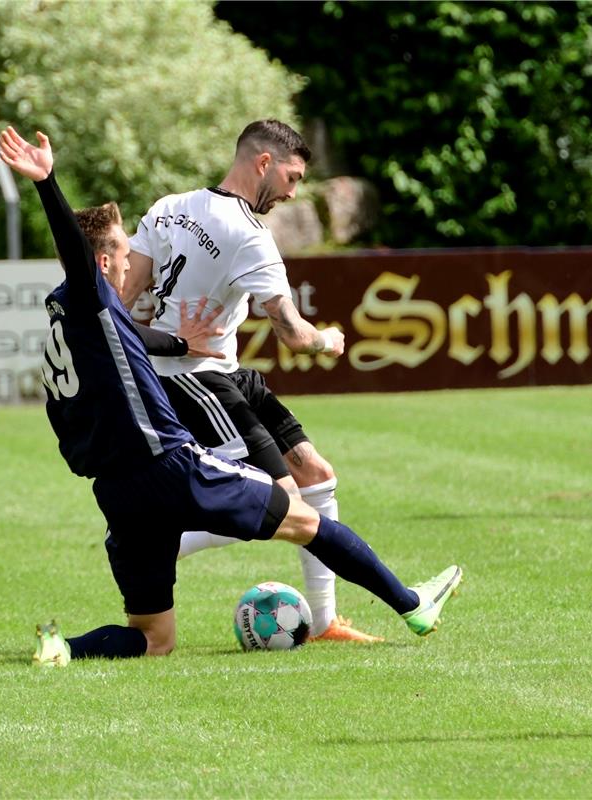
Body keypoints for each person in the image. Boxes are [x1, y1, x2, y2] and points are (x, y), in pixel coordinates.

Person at [0, 125, 462, 667]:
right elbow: (86, 259)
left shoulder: (67, 316)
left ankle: (62, 648)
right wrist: (47, 182)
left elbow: (119, 321)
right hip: (169, 460)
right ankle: (412, 604)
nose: (128, 267)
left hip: (117, 489)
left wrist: (172, 339)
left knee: (154, 639)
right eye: (120, 257)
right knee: (302, 516)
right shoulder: (94, 288)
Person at [119, 119, 378, 643]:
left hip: (222, 372)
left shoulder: (171, 206)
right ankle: (158, 541)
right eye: (292, 176)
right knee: (280, 502)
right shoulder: (250, 235)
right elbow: (293, 334)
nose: (292, 192)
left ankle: (325, 622)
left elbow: (120, 303)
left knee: (315, 473)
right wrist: (328, 338)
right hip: (198, 379)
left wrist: (163, 336)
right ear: (264, 163)